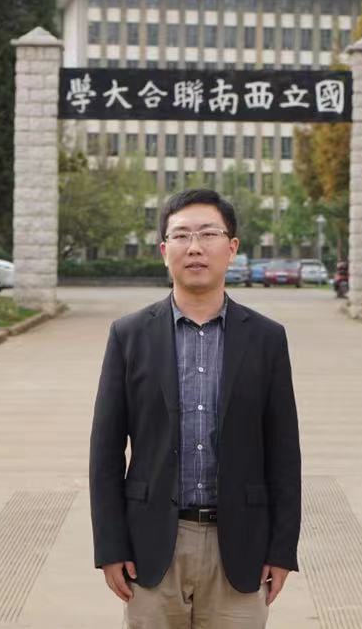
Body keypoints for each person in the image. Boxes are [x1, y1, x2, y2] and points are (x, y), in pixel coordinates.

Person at [89, 188, 301, 629]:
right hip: (151, 547)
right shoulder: (129, 335)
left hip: (240, 547)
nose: (195, 247)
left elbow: (283, 453)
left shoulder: (266, 338)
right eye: (182, 235)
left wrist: (282, 550)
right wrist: (110, 547)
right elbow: (105, 453)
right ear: (164, 250)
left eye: (208, 234)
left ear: (232, 248)